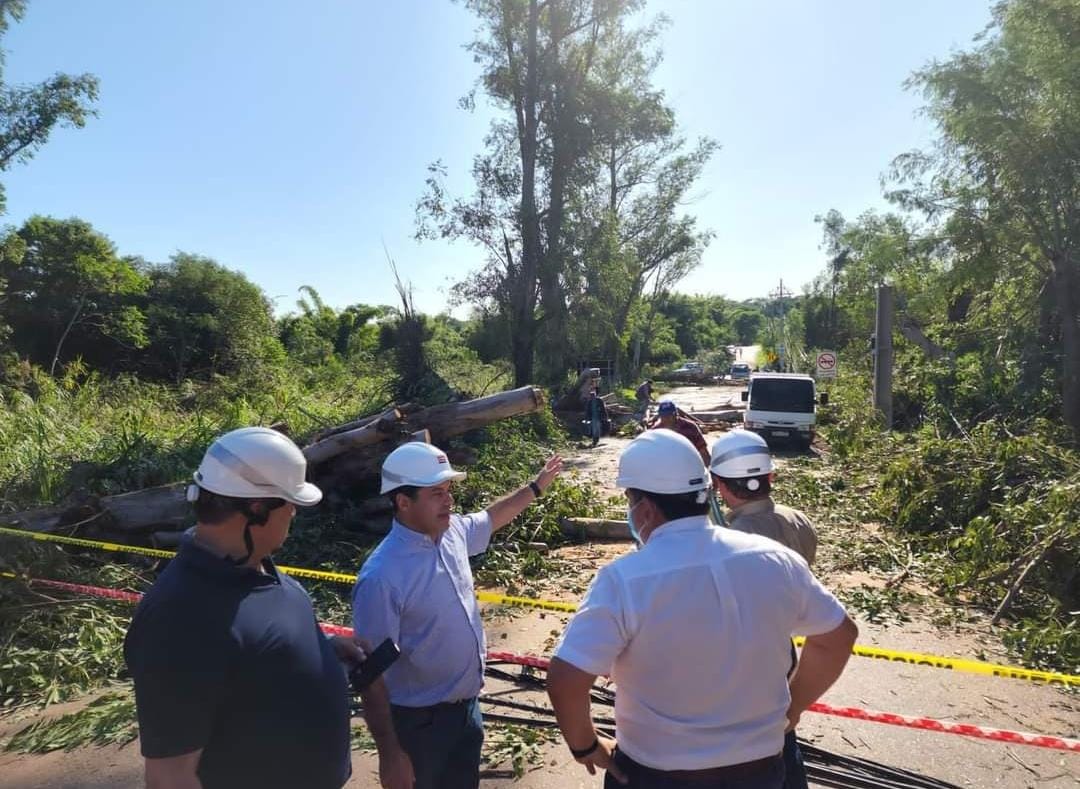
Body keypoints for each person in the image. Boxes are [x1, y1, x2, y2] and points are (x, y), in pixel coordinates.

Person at [546, 429, 858, 788]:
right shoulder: (776, 560)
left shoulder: (623, 580)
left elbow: (566, 680)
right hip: (760, 773)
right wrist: (791, 710)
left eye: (630, 501)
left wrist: (585, 746)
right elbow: (839, 636)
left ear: (644, 509)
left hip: (655, 777)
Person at [124, 427, 407, 789]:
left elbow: (252, 653)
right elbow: (170, 777)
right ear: (256, 509)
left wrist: (322, 649)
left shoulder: (259, 570)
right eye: (289, 502)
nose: (292, 513)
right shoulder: (180, 619)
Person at [353, 441, 563, 789]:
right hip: (419, 727)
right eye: (436, 493)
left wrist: (536, 486)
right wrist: (390, 753)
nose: (448, 500)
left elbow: (492, 517)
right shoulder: (382, 577)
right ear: (403, 502)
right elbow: (371, 675)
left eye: (448, 490)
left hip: (466, 712)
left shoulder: (451, 534)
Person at [710, 428, 819, 789]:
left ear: (719, 485)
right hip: (783, 649)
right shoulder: (800, 521)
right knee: (784, 741)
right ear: (770, 476)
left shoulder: (728, 540)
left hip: (739, 662)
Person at [649, 400, 710, 467]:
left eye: (669, 416)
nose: (666, 419)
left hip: (690, 466)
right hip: (666, 469)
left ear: (675, 414)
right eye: (663, 416)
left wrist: (704, 471)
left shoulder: (690, 427)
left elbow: (703, 451)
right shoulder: (655, 432)